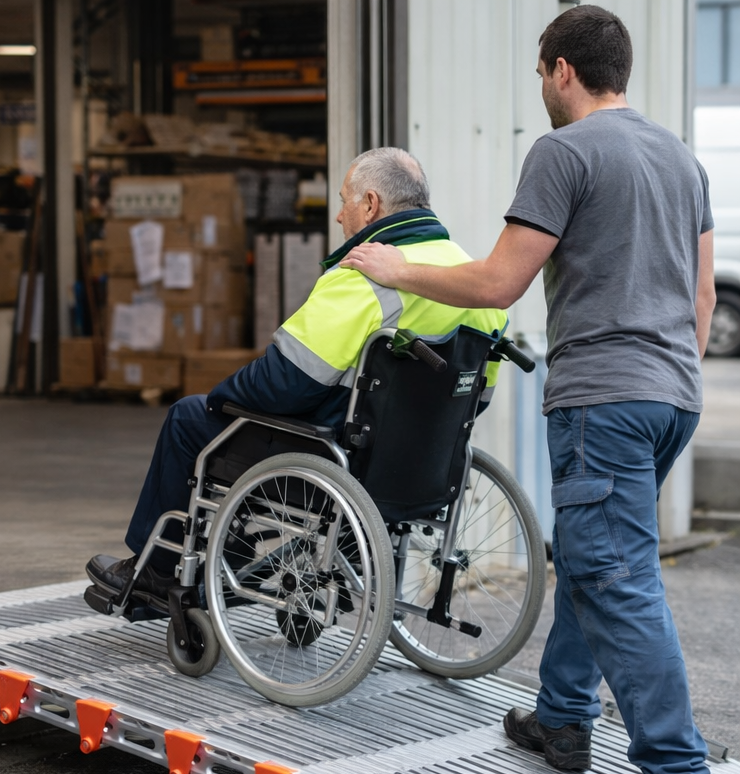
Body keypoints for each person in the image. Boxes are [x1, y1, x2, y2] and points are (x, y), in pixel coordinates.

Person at [340, 5, 717, 774]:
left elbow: (500, 282)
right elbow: (702, 299)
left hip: (605, 399)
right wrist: (665, 377)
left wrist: (398, 264)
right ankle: (561, 718)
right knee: (594, 554)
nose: (541, 88)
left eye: (540, 74)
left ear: (560, 70)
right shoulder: (679, 159)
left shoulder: (564, 150)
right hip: (670, 397)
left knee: (616, 579)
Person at [87, 147, 507, 603]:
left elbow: (284, 384)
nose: (338, 216)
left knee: (193, 419)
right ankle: (237, 557)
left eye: (345, 200)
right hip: (423, 467)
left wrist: (221, 396)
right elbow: (477, 398)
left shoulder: (364, 275)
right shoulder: (469, 278)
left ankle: (157, 571)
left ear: (371, 204)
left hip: (339, 462)